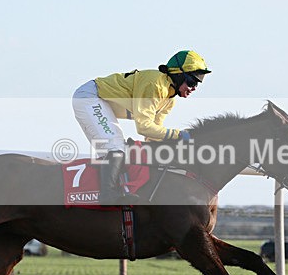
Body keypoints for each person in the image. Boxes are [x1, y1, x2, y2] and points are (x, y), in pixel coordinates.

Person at [72, 50, 211, 204]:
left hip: (100, 102)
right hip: (90, 97)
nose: (194, 88)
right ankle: (107, 196)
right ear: (178, 75)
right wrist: (178, 135)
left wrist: (173, 145)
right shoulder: (155, 84)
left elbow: (152, 133)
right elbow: (144, 127)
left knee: (114, 148)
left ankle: (103, 194)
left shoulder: (169, 100)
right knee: (115, 145)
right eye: (192, 82)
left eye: (197, 84)